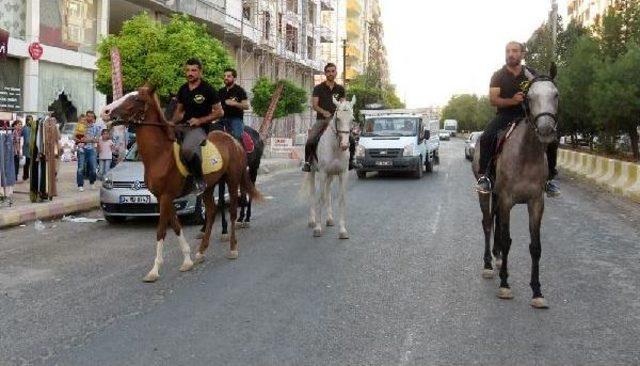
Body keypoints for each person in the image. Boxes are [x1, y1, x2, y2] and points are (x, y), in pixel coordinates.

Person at [475, 41, 560, 197]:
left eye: (514, 51)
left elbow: (542, 91)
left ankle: (549, 179)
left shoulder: (532, 74)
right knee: (487, 137)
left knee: (553, 138)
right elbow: (493, 100)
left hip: (528, 115)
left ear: (522, 54)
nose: (510, 54)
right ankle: (485, 176)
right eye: (508, 51)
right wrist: (512, 101)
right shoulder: (498, 76)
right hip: (505, 115)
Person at [170, 58, 224, 190]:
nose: (190, 73)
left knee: (187, 149)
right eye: (188, 70)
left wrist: (200, 120)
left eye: (193, 70)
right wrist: (170, 123)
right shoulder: (183, 89)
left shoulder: (208, 89)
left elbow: (219, 112)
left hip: (200, 129)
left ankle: (200, 180)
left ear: (200, 72)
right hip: (183, 126)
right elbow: (179, 112)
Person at [302, 63, 359, 172]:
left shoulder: (340, 89)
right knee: (311, 139)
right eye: (328, 71)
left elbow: (342, 105)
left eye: (333, 71)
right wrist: (324, 112)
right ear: (325, 73)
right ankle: (308, 162)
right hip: (322, 120)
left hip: (337, 121)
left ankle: (351, 161)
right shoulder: (318, 88)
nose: (331, 73)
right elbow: (315, 105)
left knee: (351, 138)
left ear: (336, 72)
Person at [218, 67, 249, 141]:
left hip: (236, 119)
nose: (226, 78)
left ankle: (241, 151)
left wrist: (235, 103)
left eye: (228, 76)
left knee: (237, 137)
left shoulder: (240, 90)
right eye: (224, 76)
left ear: (234, 78)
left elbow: (246, 106)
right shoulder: (220, 91)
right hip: (222, 119)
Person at [74, 114, 100, 191]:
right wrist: (88, 140)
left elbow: (97, 140)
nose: (89, 118)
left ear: (93, 118)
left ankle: (92, 182)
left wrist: (86, 140)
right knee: (80, 168)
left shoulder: (96, 127)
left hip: (91, 149)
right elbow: (74, 137)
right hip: (81, 149)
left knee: (93, 168)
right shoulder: (79, 127)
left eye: (91, 116)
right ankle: (80, 185)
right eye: (88, 116)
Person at [21, 115, 33, 181]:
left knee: (28, 162)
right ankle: (25, 176)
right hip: (27, 147)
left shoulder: (31, 127)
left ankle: (26, 176)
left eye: (31, 119)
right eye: (29, 119)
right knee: (27, 163)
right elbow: (27, 139)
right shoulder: (25, 128)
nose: (30, 121)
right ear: (27, 120)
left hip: (30, 147)